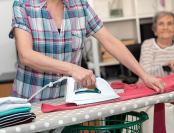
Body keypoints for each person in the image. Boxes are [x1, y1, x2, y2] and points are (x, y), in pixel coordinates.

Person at [11, 0, 164, 103]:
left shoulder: (80, 6)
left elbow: (111, 42)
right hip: (31, 102)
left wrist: (144, 75)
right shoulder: (23, 5)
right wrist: (72, 69)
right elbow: (26, 56)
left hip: (68, 102)